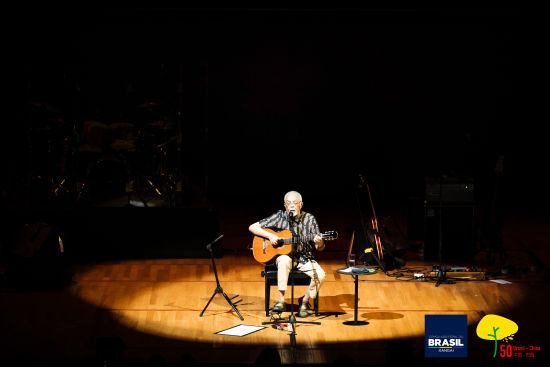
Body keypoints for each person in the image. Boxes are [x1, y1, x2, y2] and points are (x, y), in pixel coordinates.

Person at [248, 191, 326, 317]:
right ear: (285, 205)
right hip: (285, 257)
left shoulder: (309, 219)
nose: (292, 206)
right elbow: (253, 227)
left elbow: (319, 248)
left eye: (295, 203)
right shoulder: (279, 216)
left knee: (321, 275)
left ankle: (305, 301)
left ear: (301, 204)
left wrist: (320, 242)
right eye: (288, 203)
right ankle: (281, 300)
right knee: (284, 259)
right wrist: (270, 235)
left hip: (304, 257)